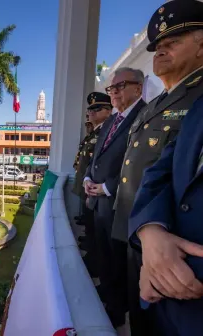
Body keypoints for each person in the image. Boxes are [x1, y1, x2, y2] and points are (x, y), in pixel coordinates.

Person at [112, 2, 203, 334]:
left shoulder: (195, 97)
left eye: (173, 43)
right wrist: (147, 227)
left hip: (178, 252)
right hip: (143, 229)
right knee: (142, 318)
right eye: (158, 47)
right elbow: (158, 169)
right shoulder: (160, 104)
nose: (161, 53)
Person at [129, 95, 203, 335]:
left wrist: (163, 273)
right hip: (161, 302)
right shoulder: (198, 105)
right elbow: (161, 171)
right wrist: (150, 231)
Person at [84, 68, 146, 328]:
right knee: (105, 255)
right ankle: (108, 295)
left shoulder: (145, 115)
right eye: (112, 88)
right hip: (99, 202)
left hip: (120, 202)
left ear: (138, 89)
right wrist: (88, 178)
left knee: (120, 260)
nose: (115, 91)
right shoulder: (111, 121)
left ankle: (117, 310)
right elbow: (96, 158)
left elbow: (141, 163)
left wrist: (107, 187)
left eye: (122, 85)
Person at [73, 93, 112, 277]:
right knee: (91, 226)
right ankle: (92, 255)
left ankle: (95, 263)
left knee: (98, 233)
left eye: (96, 109)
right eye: (90, 109)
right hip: (89, 184)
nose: (91, 113)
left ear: (109, 111)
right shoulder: (95, 133)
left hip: (101, 191)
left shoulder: (108, 131)